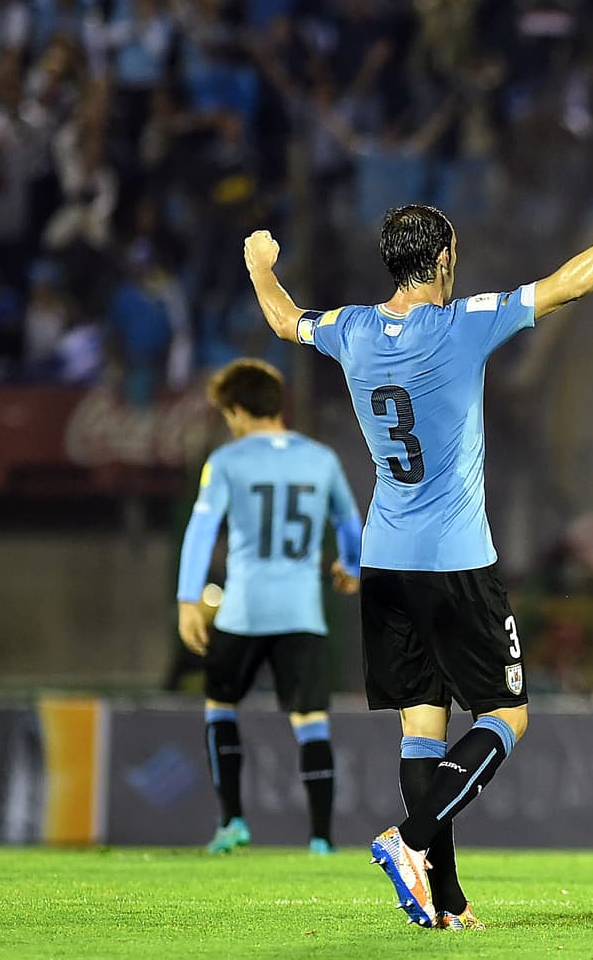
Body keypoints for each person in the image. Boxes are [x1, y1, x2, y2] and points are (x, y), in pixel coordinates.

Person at [243, 177, 593, 930]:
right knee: (509, 714)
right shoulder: (461, 325)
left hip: (387, 561)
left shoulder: (351, 329)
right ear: (445, 257)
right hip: (455, 560)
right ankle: (411, 839)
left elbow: (287, 320)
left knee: (423, 729)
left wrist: (261, 262)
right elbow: (569, 284)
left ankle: (445, 901)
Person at [176, 358, 363, 855]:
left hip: (243, 610)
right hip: (303, 613)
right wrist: (352, 566)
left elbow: (200, 532)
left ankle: (232, 822)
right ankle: (322, 838)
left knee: (221, 708)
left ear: (237, 410)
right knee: (311, 722)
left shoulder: (227, 462)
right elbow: (349, 520)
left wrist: (188, 599)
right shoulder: (320, 459)